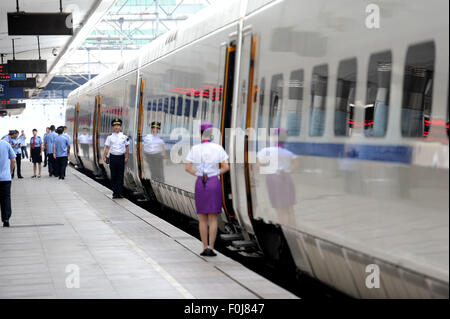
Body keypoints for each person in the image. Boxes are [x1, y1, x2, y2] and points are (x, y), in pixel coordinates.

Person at [185, 122, 229, 257]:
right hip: (214, 182)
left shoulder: (195, 149)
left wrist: (199, 173)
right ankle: (211, 247)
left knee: (202, 218)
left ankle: (204, 247)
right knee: (213, 218)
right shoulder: (218, 148)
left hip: (201, 183)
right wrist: (216, 172)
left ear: (200, 133)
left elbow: (188, 168)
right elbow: (226, 167)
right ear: (211, 134)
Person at [103, 118, 129, 199]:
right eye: (115, 126)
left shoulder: (125, 137)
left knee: (120, 176)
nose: (116, 127)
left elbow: (127, 147)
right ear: (113, 127)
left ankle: (120, 192)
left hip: (121, 157)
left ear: (120, 127)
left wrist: (126, 157)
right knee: (113, 175)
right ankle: (115, 192)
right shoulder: (109, 137)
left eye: (118, 125)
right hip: (113, 157)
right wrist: (104, 156)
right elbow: (107, 147)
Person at [0, 138, 16, 227]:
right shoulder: (6, 144)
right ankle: (6, 219)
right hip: (5, 178)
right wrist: (10, 171)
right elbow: (13, 160)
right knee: (6, 198)